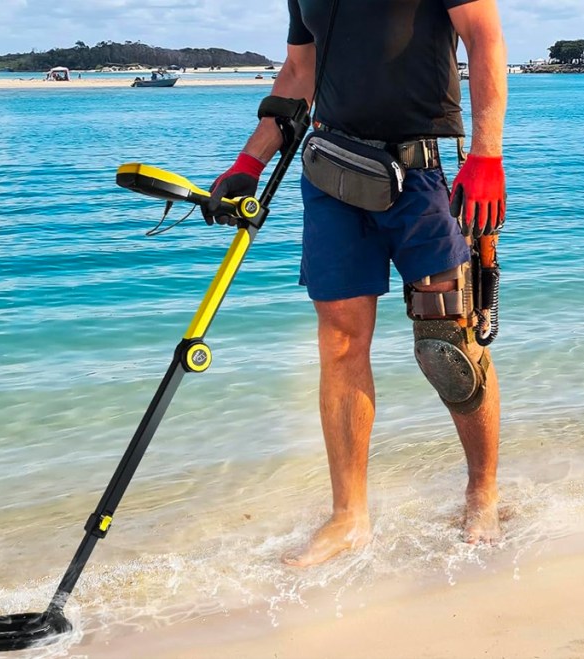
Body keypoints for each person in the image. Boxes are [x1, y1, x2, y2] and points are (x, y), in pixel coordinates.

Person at [203, 0, 508, 567]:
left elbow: (484, 37)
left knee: (449, 345)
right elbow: (299, 73)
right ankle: (349, 516)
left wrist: (488, 155)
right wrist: (248, 161)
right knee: (340, 343)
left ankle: (482, 493)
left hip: (426, 172)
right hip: (333, 176)